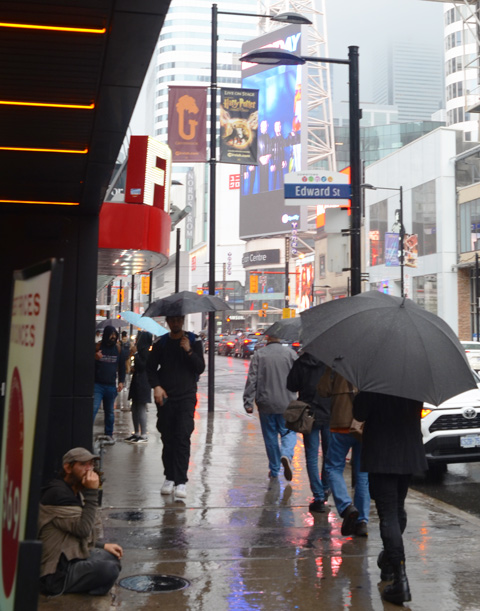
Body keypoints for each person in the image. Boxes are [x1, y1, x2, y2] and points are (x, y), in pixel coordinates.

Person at [353, 392, 427, 605]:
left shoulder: (374, 381)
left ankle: (400, 579)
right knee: (397, 509)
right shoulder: (412, 380)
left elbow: (359, 413)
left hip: (382, 454)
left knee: (389, 514)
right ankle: (389, 562)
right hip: (407, 451)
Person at [38, 447, 123, 596]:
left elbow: (85, 532)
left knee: (112, 556)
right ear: (68, 467)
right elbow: (83, 530)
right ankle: (89, 593)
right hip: (56, 574)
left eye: (91, 464)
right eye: (83, 465)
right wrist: (92, 493)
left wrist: (103, 545)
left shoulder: (74, 490)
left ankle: (90, 587)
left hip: (71, 556)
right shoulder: (58, 494)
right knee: (109, 569)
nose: (89, 469)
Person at [146, 315, 205, 500]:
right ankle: (169, 477)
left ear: (183, 320)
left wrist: (188, 351)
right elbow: (150, 368)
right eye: (172, 320)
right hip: (166, 398)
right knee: (168, 438)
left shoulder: (194, 341)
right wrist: (156, 386)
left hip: (186, 397)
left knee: (182, 437)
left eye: (178, 319)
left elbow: (200, 367)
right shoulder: (161, 343)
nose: (175, 323)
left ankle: (181, 481)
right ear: (168, 322)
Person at [318, 368, 370, 537]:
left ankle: (346, 506)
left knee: (333, 467)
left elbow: (323, 390)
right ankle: (362, 521)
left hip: (340, 422)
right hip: (363, 425)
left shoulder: (337, 362)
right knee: (362, 473)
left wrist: (329, 371)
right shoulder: (371, 363)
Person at [243, 334, 298, 481]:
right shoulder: (291, 354)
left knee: (270, 437)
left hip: (266, 403)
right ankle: (286, 454)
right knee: (289, 432)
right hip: (288, 402)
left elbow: (252, 379)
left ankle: (274, 470)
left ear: (268, 337)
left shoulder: (259, 355)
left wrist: (248, 402)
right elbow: (299, 377)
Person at [287, 352, 331, 514]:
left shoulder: (302, 361)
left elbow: (291, 385)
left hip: (308, 414)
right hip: (329, 413)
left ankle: (318, 497)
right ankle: (325, 489)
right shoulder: (331, 361)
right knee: (329, 455)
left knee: (311, 456)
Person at [93, 326, 126, 444]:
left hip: (111, 385)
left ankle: (109, 434)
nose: (113, 337)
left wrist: (121, 381)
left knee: (110, 413)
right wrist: (95, 358)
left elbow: (122, 366)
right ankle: (87, 433)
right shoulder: (98, 347)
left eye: (114, 335)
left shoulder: (118, 349)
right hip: (97, 385)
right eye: (111, 335)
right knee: (93, 409)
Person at [125, 331, 153, 444]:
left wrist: (136, 354)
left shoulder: (146, 351)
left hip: (143, 382)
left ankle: (143, 434)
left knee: (141, 408)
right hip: (137, 381)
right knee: (134, 408)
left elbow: (142, 366)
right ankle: (136, 432)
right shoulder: (141, 350)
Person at [270, 120, 287, 190]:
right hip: (274, 162)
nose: (278, 127)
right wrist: (272, 164)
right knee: (273, 182)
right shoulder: (272, 140)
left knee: (281, 181)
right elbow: (270, 152)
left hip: (281, 162)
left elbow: (285, 151)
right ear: (274, 128)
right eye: (277, 125)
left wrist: (284, 160)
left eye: (279, 125)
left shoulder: (284, 139)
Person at [258, 119, 271, 193]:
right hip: (259, 163)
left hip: (268, 162)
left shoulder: (269, 137)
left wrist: (268, 156)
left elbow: (271, 149)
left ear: (267, 126)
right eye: (262, 126)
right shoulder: (258, 138)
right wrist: (260, 158)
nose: (264, 127)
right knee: (261, 181)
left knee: (267, 182)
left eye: (265, 125)